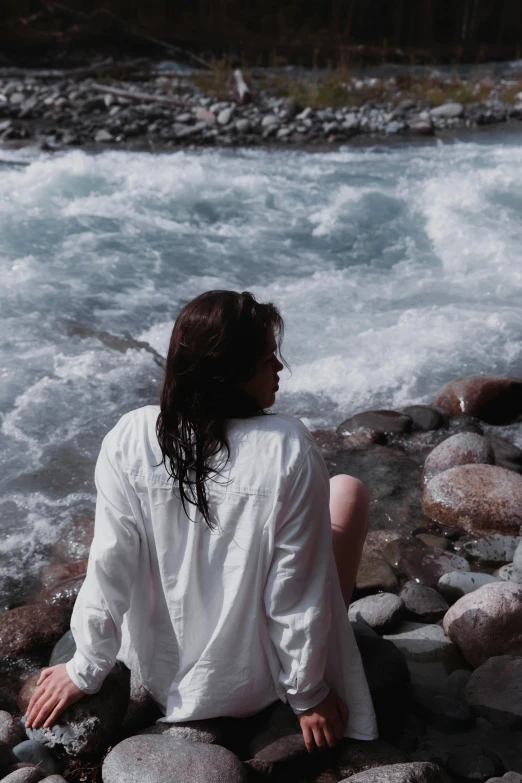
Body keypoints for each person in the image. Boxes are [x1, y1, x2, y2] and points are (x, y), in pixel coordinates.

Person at [26, 290, 378, 752]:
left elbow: (109, 565)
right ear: (230, 373)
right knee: (348, 491)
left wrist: (86, 667)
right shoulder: (287, 446)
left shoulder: (131, 436)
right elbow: (294, 590)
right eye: (267, 359)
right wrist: (309, 693)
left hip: (156, 673)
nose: (280, 370)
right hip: (256, 682)